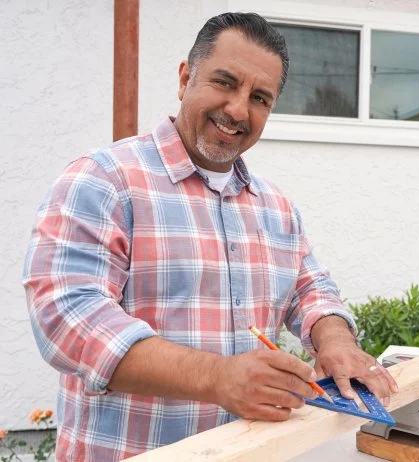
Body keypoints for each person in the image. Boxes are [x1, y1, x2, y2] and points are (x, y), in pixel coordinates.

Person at [22, 12, 397, 461]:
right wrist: (218, 378)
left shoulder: (274, 208)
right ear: (185, 79)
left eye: (260, 97)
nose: (238, 110)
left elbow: (312, 289)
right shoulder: (104, 181)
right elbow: (66, 320)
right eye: (224, 82)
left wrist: (336, 342)